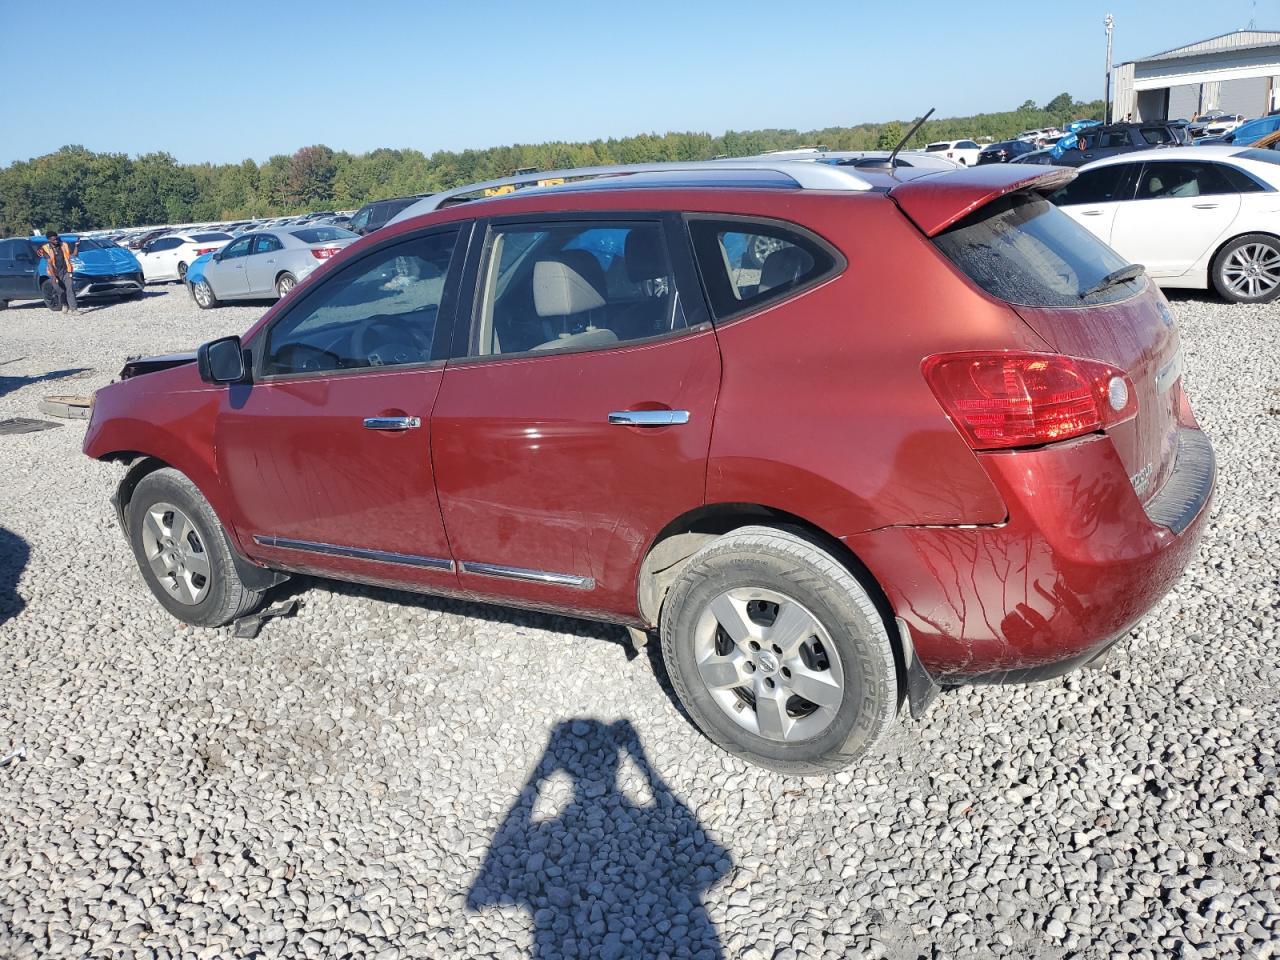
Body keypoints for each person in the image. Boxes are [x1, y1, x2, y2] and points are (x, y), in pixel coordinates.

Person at [38, 230, 79, 314]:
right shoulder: (45, 248)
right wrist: (54, 277)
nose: (56, 241)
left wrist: (76, 246)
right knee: (60, 290)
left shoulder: (64, 245)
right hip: (54, 273)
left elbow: (74, 255)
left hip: (66, 271)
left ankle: (74, 309)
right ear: (49, 240)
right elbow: (49, 263)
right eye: (53, 240)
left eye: (56, 239)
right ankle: (64, 304)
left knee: (70, 289)